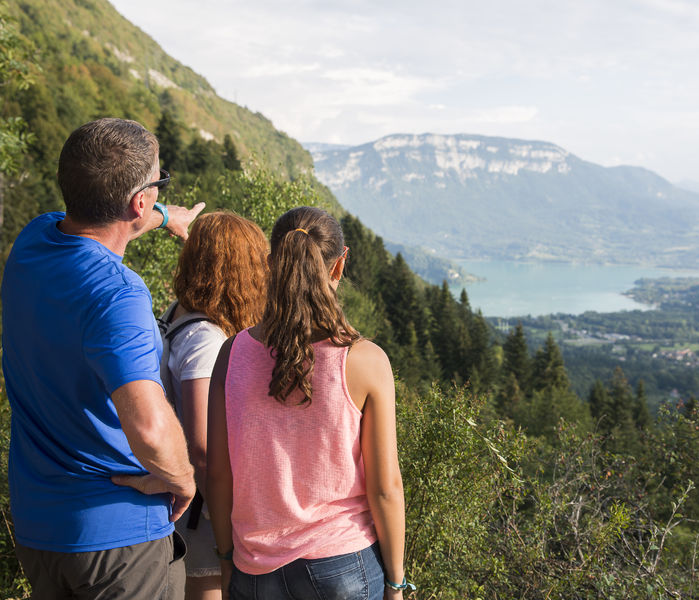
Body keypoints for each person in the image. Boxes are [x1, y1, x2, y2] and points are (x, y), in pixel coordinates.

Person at [1, 117, 204, 599]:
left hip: (40, 529)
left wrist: (163, 216)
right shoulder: (117, 294)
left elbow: (102, 217)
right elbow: (150, 430)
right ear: (138, 199)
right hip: (120, 544)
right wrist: (183, 478)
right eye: (158, 184)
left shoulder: (33, 242)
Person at [206, 206, 413, 599]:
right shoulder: (365, 360)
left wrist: (225, 557)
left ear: (272, 264)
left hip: (255, 569)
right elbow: (386, 488)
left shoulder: (231, 355)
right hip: (343, 566)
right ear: (340, 265)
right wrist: (396, 582)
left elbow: (218, 473)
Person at [160, 212, 268, 600]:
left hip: (180, 508)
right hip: (203, 521)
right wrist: (230, 530)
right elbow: (203, 450)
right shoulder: (207, 341)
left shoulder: (177, 313)